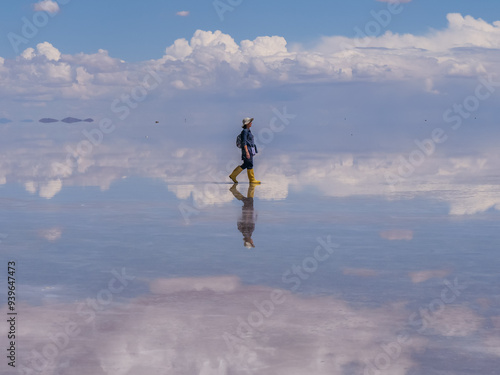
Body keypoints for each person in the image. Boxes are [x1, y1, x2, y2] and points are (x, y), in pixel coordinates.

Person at [229, 117, 261, 184]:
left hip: (250, 149)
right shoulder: (245, 131)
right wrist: (247, 152)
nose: (251, 123)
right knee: (249, 164)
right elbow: (244, 142)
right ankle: (251, 180)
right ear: (247, 124)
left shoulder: (248, 131)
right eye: (250, 122)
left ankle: (234, 175)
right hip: (247, 149)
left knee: (247, 164)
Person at [230, 183, 257, 248]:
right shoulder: (243, 232)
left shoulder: (248, 232)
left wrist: (254, 216)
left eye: (252, 243)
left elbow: (251, 221)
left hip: (248, 212)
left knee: (248, 200)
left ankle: (234, 191)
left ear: (250, 241)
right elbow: (239, 221)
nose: (252, 241)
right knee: (248, 200)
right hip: (246, 212)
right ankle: (251, 186)